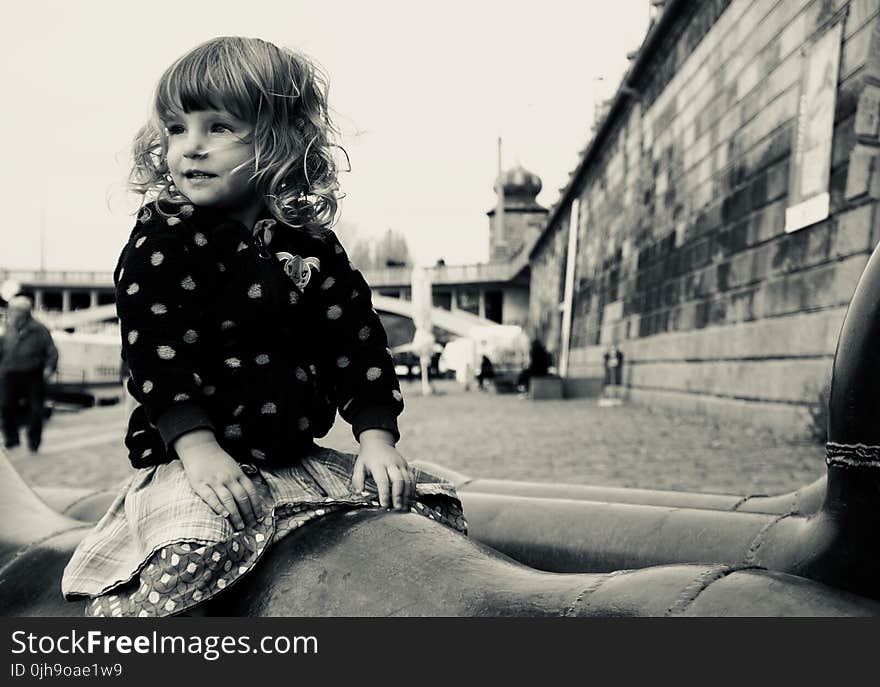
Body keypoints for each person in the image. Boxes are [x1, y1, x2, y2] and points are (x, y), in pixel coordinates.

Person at [61, 37, 466, 618]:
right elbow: (154, 353)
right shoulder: (164, 240)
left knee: (430, 512)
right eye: (177, 129)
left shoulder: (312, 248)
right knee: (190, 563)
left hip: (292, 457)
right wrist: (198, 449)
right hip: (199, 463)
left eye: (219, 128)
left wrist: (376, 440)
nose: (190, 148)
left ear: (280, 141)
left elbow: (355, 344)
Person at [0, 295, 58, 453]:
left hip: (33, 374)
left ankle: (34, 442)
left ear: (25, 312)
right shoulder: (7, 328)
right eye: (11, 310)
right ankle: (11, 440)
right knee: (5, 406)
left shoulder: (39, 329)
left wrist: (48, 369)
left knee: (35, 409)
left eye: (15, 311)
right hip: (9, 373)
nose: (11, 313)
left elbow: (52, 352)